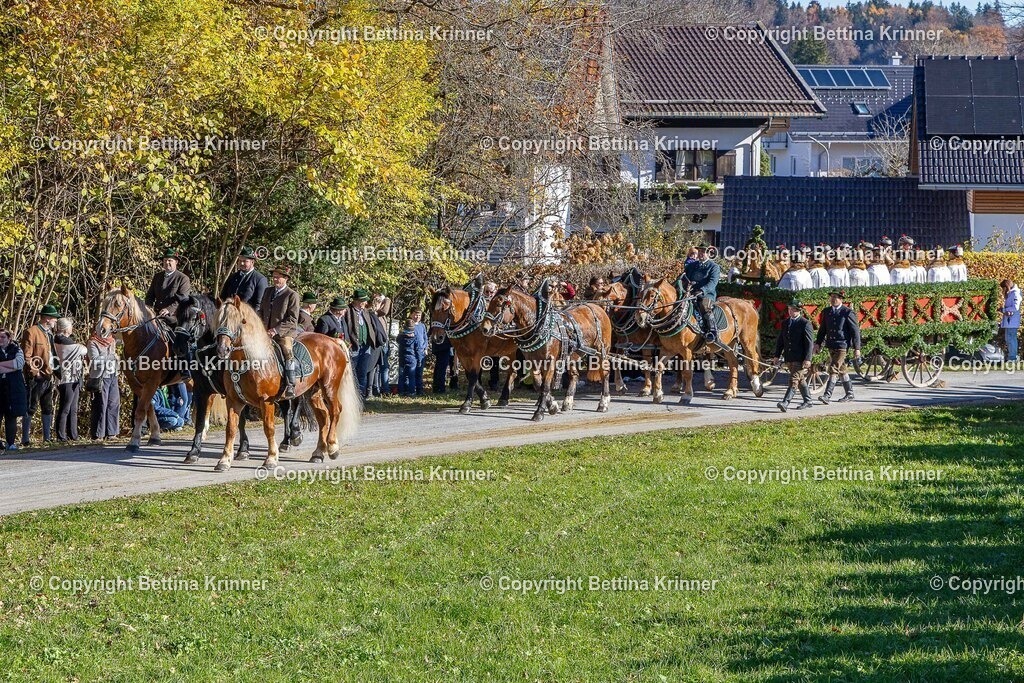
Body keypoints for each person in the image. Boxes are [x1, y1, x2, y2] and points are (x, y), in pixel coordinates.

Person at [258, 264, 301, 399]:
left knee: (287, 351)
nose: (275, 279)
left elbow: (292, 319)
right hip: (265, 331)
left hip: (284, 333)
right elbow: (261, 310)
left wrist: (275, 330)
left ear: (286, 278)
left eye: (278, 277)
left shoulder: (292, 295)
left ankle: (290, 384)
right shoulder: (268, 291)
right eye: (274, 277)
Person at [21, 303, 62, 444]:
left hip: (48, 375)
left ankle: (47, 438)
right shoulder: (31, 332)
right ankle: (25, 439)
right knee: (31, 407)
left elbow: (51, 354)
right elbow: (27, 356)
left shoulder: (49, 334)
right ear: (47, 318)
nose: (55, 321)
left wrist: (56, 371)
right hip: (36, 377)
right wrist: (36, 372)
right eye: (54, 318)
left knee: (47, 407)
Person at [815, 290, 862, 404]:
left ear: (841, 299)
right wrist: (818, 343)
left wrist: (857, 348)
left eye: (835, 297)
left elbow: (855, 331)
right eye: (831, 297)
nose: (833, 299)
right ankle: (849, 393)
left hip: (842, 345)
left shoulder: (847, 312)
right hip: (831, 344)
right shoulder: (827, 311)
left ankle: (827, 395)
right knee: (842, 370)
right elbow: (822, 329)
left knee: (834, 368)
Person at [774, 301, 815, 412]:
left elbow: (809, 343)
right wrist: (777, 355)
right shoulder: (785, 323)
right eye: (789, 309)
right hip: (789, 357)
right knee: (800, 380)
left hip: (800, 358)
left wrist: (808, 358)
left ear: (798, 311)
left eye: (793, 309)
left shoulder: (805, 323)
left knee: (794, 379)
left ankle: (785, 402)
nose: (790, 311)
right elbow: (781, 340)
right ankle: (808, 401)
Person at [54, 317, 87, 442]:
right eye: (70, 326)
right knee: (65, 408)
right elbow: (83, 350)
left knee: (73, 408)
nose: (72, 328)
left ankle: (73, 435)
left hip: (74, 377)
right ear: (65, 328)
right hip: (66, 378)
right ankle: (61, 435)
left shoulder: (64, 340)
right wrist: (80, 345)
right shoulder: (61, 341)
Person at [341, 289, 377, 397]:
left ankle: (361, 396)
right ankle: (352, 396)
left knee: (363, 372)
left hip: (365, 346)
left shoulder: (365, 311)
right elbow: (345, 328)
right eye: (363, 301)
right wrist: (347, 343)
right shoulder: (347, 310)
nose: (365, 303)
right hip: (354, 346)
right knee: (352, 373)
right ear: (357, 301)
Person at [87, 326, 120, 440]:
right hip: (100, 376)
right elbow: (94, 360)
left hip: (113, 375)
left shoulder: (112, 341)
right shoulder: (92, 342)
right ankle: (98, 434)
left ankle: (112, 433)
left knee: (113, 404)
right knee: (101, 404)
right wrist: (111, 357)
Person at [0, 329, 28, 450]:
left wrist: (2, 365)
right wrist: (11, 368)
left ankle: (10, 442)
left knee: (11, 416)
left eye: (3, 337)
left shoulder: (17, 349)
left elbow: (19, 363)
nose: (0, 339)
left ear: (9, 338)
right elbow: (14, 366)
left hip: (13, 388)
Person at [687, 244, 721, 342]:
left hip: (706, 295)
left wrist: (702, 290)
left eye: (704, 251)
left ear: (709, 254)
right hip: (691, 293)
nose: (701, 253)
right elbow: (685, 278)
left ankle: (712, 331)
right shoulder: (691, 266)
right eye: (700, 251)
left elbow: (713, 283)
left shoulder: (714, 267)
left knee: (704, 305)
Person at [397, 309, 428, 396]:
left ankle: (419, 390)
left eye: (419, 315)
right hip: (413, 354)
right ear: (411, 314)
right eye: (415, 315)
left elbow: (425, 337)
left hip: (420, 352)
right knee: (409, 374)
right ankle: (407, 390)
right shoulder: (409, 325)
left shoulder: (422, 326)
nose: (417, 317)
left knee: (419, 373)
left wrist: (425, 347)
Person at [370, 293, 393, 396]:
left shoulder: (381, 316)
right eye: (380, 302)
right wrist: (387, 299)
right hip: (379, 343)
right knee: (379, 368)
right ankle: (380, 389)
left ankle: (381, 388)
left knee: (383, 367)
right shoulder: (375, 313)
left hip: (384, 342)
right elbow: (384, 311)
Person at [1001, 279, 1021, 362]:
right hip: (1009, 320)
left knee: (1011, 338)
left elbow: (1016, 307)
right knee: (1009, 339)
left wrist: (1004, 310)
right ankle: (1011, 356)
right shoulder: (1012, 293)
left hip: (1012, 321)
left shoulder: (1015, 293)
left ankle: (1013, 357)